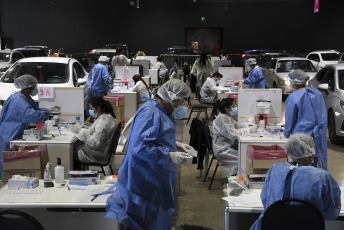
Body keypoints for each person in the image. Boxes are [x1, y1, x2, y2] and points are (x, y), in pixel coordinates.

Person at [105, 79, 194, 230]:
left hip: (154, 175)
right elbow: (138, 146)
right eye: (182, 100)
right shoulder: (150, 112)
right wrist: (169, 155)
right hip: (143, 176)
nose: (183, 105)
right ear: (170, 97)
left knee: (155, 218)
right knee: (142, 219)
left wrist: (176, 145)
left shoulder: (161, 111)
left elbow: (155, 137)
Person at [250, 133, 341, 230]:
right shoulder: (322, 177)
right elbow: (331, 211)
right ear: (311, 154)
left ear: (289, 152)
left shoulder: (275, 169)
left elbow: (266, 200)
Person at [0, 75, 50, 180]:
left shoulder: (22, 97)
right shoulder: (18, 101)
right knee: (6, 168)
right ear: (31, 88)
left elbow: (34, 108)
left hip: (11, 134)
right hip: (8, 136)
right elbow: (33, 116)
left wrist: (43, 110)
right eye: (35, 87)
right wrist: (46, 111)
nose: (36, 89)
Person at [283, 69, 327, 170]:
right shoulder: (316, 94)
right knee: (315, 161)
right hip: (317, 136)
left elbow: (290, 118)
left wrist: (286, 133)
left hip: (300, 136)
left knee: (300, 163)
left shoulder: (293, 97)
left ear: (294, 83)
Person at [71, 97, 117, 169]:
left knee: (70, 153)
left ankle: (77, 175)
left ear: (98, 108)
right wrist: (87, 129)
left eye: (91, 108)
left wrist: (80, 131)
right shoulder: (107, 117)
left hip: (97, 154)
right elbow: (98, 133)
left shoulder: (102, 123)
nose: (90, 110)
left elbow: (96, 142)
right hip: (102, 150)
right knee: (76, 146)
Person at [212, 98, 250, 176]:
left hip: (228, 147)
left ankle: (240, 177)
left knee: (245, 156)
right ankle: (238, 179)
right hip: (222, 150)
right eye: (233, 106)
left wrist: (248, 125)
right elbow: (232, 134)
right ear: (226, 109)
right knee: (243, 159)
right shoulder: (222, 118)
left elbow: (237, 126)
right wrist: (247, 130)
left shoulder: (227, 116)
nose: (235, 107)